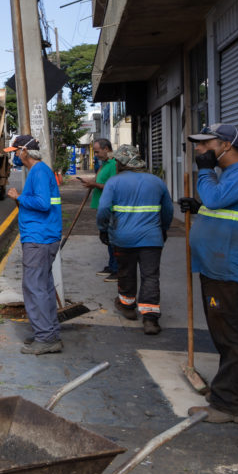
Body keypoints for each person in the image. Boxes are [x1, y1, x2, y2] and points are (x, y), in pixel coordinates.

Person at [180, 123, 238, 425]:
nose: (198, 150)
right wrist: (198, 208)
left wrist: (204, 173)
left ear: (226, 146)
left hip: (230, 272)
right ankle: (235, 394)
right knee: (232, 335)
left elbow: (217, 200)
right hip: (221, 268)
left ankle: (230, 405)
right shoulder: (230, 177)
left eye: (204, 144)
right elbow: (219, 207)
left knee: (232, 338)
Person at [95, 144, 172, 335]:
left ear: (121, 163)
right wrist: (163, 229)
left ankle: (128, 307)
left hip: (123, 238)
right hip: (152, 238)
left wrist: (103, 229)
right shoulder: (157, 182)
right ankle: (150, 319)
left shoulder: (114, 183)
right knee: (151, 276)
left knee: (125, 272)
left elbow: (103, 210)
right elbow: (168, 211)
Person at [5, 135, 63, 355]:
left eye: (15, 151)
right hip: (43, 237)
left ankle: (46, 337)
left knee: (35, 288)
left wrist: (18, 197)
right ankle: (48, 333)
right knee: (43, 287)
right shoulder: (40, 171)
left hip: (39, 239)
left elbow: (42, 203)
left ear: (24, 152)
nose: (14, 156)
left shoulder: (38, 172)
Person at [77, 138, 118, 281]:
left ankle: (116, 269)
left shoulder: (113, 165)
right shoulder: (104, 164)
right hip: (102, 206)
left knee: (112, 238)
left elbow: (113, 187)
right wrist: (92, 183)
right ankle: (112, 265)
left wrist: (94, 184)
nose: (96, 154)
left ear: (106, 149)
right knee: (107, 238)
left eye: (97, 151)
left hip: (109, 207)